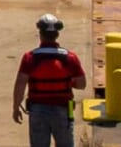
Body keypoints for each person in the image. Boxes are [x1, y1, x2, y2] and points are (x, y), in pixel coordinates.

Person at [15, 12, 86, 146]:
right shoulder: (70, 58)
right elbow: (82, 84)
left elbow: (20, 85)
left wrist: (15, 107)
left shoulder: (30, 57)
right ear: (57, 35)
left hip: (37, 110)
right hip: (64, 109)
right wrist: (65, 82)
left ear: (40, 34)